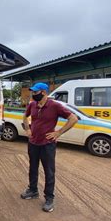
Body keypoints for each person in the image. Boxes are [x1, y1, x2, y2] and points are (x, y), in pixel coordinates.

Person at [20, 83, 78, 212]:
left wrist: (59, 132)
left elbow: (73, 118)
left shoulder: (55, 106)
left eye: (36, 92)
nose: (33, 95)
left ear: (44, 92)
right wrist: (28, 129)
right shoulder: (32, 105)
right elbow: (25, 116)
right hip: (33, 142)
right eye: (33, 92)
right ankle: (33, 190)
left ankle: (49, 198)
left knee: (49, 171)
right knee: (33, 168)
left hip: (47, 144)